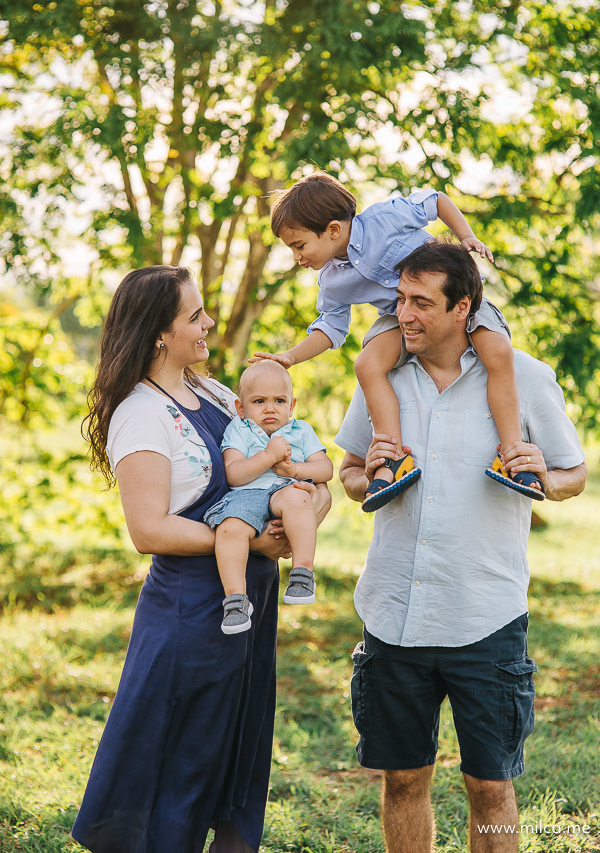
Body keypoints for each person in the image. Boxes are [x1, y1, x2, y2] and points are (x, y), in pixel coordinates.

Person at [335, 241, 587, 853]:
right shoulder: (382, 375)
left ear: (462, 307)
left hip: (485, 617)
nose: (405, 315)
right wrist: (366, 471)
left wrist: (544, 478)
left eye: (421, 302)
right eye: (399, 300)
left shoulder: (524, 377)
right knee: (402, 779)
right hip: (394, 613)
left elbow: (573, 474)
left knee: (491, 788)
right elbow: (347, 474)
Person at [71, 265, 331, 853]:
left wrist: (306, 509)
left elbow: (298, 469)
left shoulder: (216, 393)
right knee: (183, 759)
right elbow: (148, 528)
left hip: (250, 602)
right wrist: (250, 542)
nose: (209, 322)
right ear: (160, 334)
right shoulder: (141, 413)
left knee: (229, 749)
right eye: (195, 315)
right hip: (191, 608)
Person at [252, 172, 534, 515]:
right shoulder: (333, 281)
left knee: (498, 351)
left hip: (449, 302)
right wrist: (291, 356)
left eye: (299, 246)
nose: (297, 257)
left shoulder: (383, 219)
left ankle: (513, 454)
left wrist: (467, 236)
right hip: (400, 320)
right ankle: (394, 457)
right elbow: (330, 328)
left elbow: (435, 201)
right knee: (367, 364)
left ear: (333, 230)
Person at [204, 360, 333, 634]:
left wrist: (295, 470)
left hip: (284, 489)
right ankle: (236, 599)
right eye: (259, 401)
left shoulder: (301, 430)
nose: (270, 408)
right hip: (248, 493)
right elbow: (234, 474)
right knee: (229, 528)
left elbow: (325, 469)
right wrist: (268, 457)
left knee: (299, 499)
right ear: (241, 407)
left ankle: (302, 573)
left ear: (292, 405)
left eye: (279, 400)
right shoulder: (239, 429)